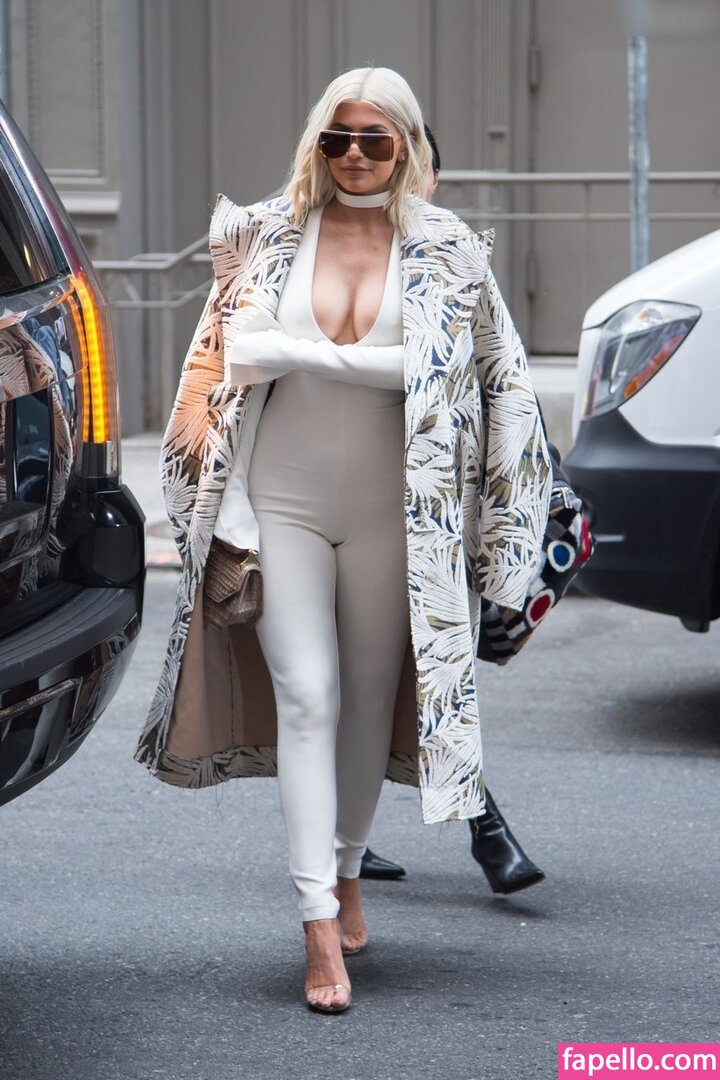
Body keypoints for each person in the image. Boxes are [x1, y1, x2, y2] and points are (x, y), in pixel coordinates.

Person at [136, 66, 551, 1014]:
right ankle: (317, 919)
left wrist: (505, 535)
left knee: (367, 701)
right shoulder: (265, 234)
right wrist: (202, 498)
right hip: (281, 501)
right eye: (336, 137)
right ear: (316, 143)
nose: (353, 155)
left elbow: (484, 381)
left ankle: (350, 864)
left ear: (406, 145)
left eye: (373, 139)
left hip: (396, 514)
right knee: (310, 697)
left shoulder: (449, 249)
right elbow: (222, 363)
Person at [360, 125, 545, 896]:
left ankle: (477, 828)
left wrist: (511, 511)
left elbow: (506, 376)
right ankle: (476, 834)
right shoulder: (328, 253)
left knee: (443, 668)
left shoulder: (455, 253)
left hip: (441, 506)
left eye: (422, 166)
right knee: (358, 674)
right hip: (353, 496)